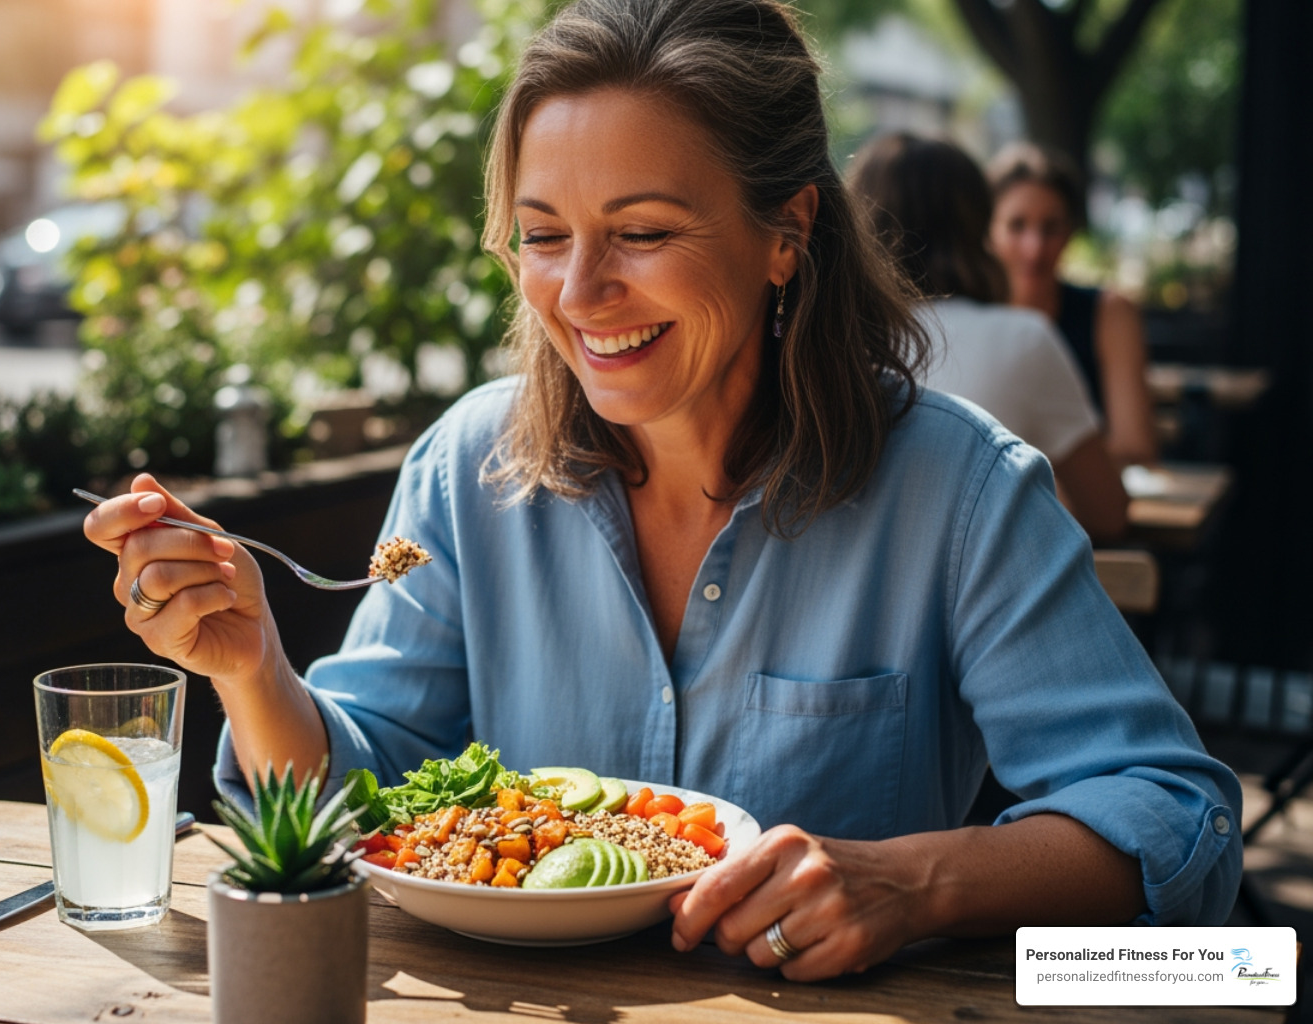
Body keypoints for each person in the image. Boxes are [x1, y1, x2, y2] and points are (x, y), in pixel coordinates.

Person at [83, 0, 1240, 983]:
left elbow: (1178, 820)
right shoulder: (465, 469)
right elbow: (359, 798)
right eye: (543, 235)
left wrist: (916, 881)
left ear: (787, 232)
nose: (581, 292)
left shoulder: (959, 490)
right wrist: (252, 668)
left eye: (638, 231)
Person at [847, 132, 1129, 542]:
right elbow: (1108, 513)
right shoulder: (1024, 339)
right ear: (980, 225)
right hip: (974, 601)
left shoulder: (824, 343)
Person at [987, 142, 1159, 467]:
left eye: (1051, 228)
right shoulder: (966, 317)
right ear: (988, 231)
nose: (1035, 248)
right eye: (1017, 225)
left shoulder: (1111, 314)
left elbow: (1135, 448)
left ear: (1070, 232)